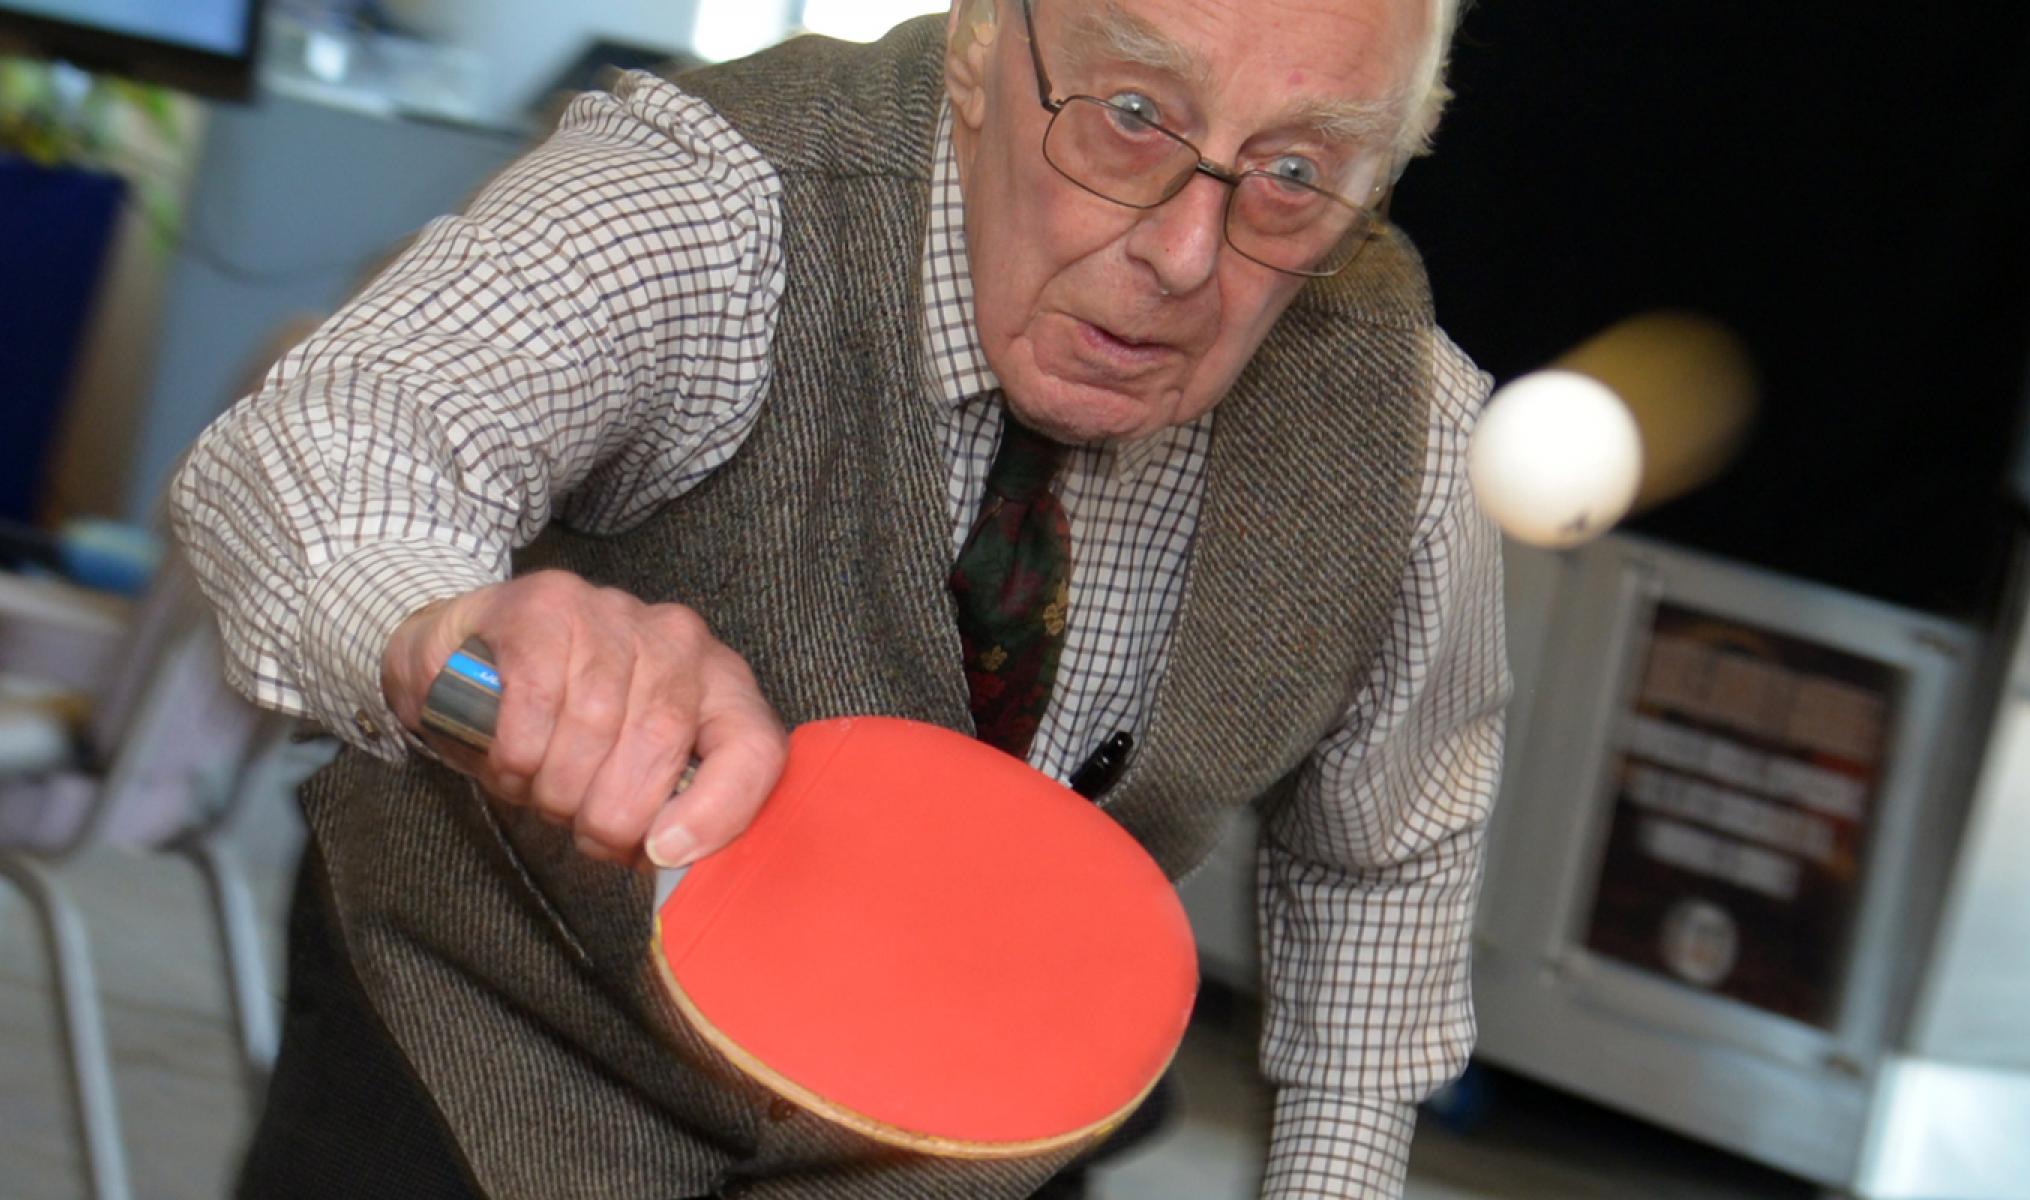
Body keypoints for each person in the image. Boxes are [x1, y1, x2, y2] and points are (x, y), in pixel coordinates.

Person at [171, 0, 1506, 1196]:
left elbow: (1380, 873)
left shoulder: (1415, 432)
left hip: (969, 1136)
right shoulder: (719, 198)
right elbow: (330, 443)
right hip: (487, 1059)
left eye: (1295, 175)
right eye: (1132, 116)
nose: (1183, 250)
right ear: (989, 46)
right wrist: (448, 635)